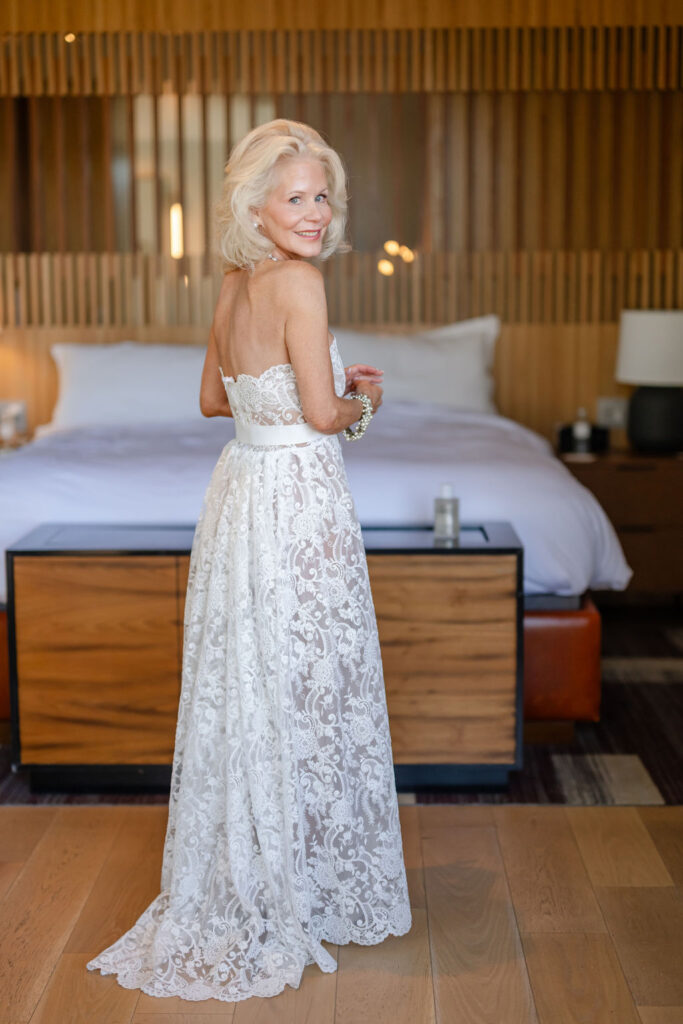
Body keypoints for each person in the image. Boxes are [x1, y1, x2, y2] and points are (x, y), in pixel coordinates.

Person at [86, 118, 412, 1003]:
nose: (314, 212)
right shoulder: (299, 284)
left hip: (239, 491)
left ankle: (260, 874)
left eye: (322, 196)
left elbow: (207, 399)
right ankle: (296, 885)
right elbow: (319, 413)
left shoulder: (234, 283)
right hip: (299, 495)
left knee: (249, 679)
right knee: (306, 678)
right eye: (296, 196)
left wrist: (305, 397)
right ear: (255, 206)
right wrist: (366, 398)